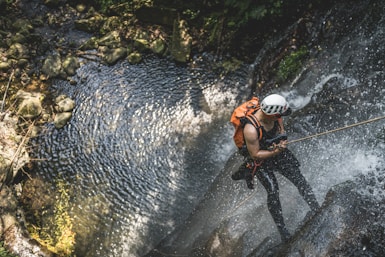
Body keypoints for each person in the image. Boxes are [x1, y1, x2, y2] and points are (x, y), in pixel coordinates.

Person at [231, 94, 320, 242]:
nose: (280, 117)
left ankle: (316, 207)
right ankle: (282, 229)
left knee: (299, 179)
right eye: (279, 115)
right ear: (270, 113)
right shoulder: (251, 129)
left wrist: (282, 139)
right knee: (273, 191)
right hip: (261, 160)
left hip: (275, 151)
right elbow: (255, 154)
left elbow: (281, 129)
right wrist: (276, 151)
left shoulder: (275, 115)